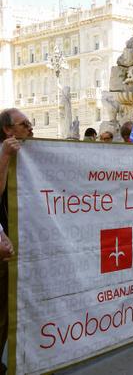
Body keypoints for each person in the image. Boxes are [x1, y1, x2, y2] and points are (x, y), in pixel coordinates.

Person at [0, 108, 33, 369]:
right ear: (8, 130)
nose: (30, 128)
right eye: (24, 124)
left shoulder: (30, 152)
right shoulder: (5, 152)